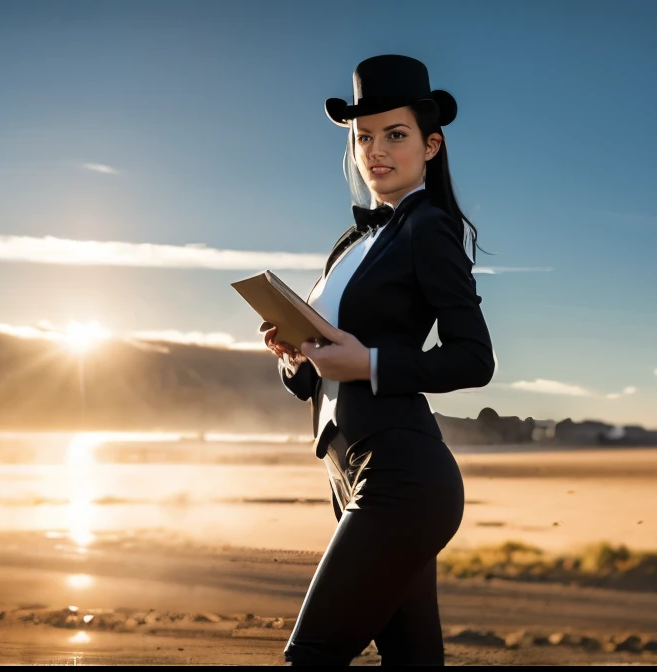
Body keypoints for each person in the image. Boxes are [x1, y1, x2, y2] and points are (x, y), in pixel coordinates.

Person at [261, 54, 495, 666]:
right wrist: (295, 357)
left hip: (402, 476)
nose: (376, 150)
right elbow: (319, 372)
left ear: (431, 145)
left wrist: (368, 364)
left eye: (395, 134)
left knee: (308, 657)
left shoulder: (429, 229)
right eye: (363, 137)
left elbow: (474, 360)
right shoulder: (350, 244)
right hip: (345, 471)